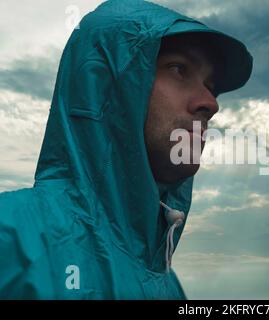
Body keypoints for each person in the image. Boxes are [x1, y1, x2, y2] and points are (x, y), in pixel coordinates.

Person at [0, 0, 252, 299]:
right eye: (178, 69)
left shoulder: (168, 285)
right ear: (104, 84)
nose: (211, 104)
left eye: (210, 85)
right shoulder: (11, 239)